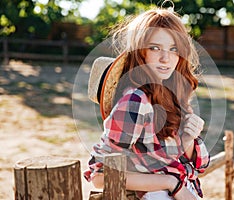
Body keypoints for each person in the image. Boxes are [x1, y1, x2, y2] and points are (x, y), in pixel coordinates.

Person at [85, 4, 210, 200]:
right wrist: (172, 184)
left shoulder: (172, 95)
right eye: (154, 48)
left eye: (173, 49)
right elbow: (101, 176)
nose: (165, 58)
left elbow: (187, 163)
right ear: (140, 52)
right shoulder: (136, 101)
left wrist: (187, 138)